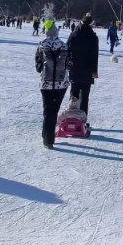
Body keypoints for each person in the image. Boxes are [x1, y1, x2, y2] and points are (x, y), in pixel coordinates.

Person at [35, 20, 71, 149]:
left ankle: (47, 139)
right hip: (61, 84)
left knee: (47, 111)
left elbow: (38, 67)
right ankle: (48, 136)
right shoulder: (64, 45)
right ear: (56, 32)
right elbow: (69, 64)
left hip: (46, 84)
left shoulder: (41, 45)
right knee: (54, 111)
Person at [66, 13, 99, 119]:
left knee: (73, 95)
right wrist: (94, 71)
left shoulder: (73, 34)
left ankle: (71, 116)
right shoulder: (93, 37)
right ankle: (82, 118)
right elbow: (94, 55)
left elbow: (67, 49)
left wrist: (68, 64)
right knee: (84, 96)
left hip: (74, 69)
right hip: (87, 71)